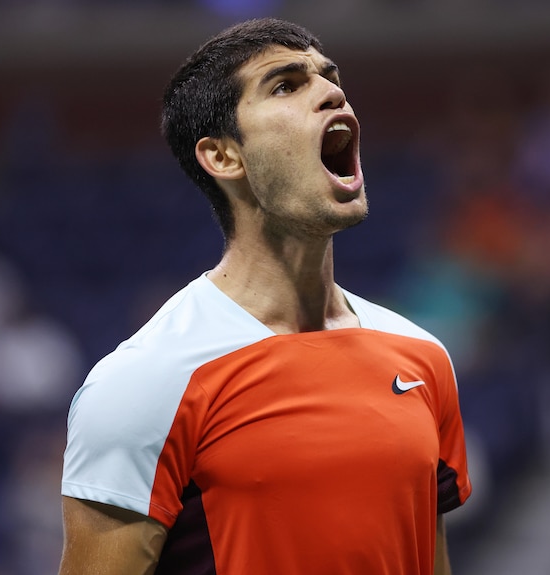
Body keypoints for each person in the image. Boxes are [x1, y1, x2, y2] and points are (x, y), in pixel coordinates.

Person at [59, 17, 471, 575]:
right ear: (224, 158)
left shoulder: (423, 357)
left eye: (329, 77)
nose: (331, 92)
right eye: (286, 85)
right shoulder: (141, 384)